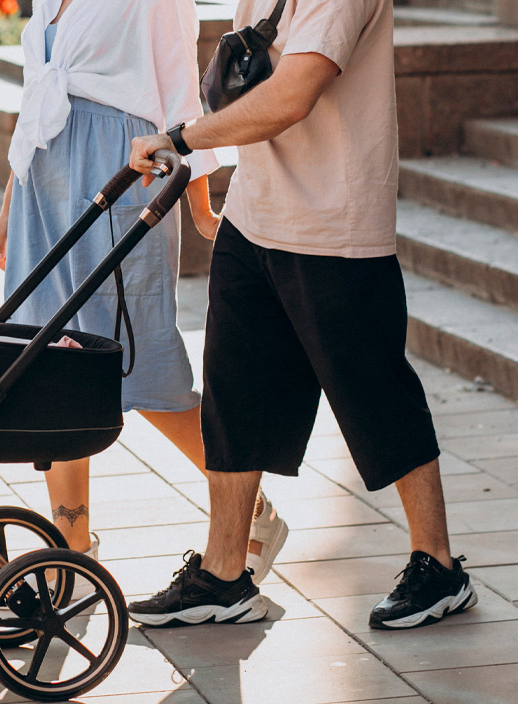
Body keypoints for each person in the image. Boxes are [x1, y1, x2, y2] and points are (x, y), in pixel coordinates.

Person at [125, 0, 476, 630]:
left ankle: (439, 567)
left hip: (333, 222)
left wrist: (181, 138)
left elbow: (293, 94)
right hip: (256, 214)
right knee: (233, 397)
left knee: (373, 393)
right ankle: (225, 574)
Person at [0, 0, 289, 579]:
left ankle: (250, 506)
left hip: (122, 170)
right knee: (49, 364)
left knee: (136, 360)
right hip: (42, 181)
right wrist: (9, 204)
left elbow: (178, 87)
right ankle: (69, 551)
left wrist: (197, 206)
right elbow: (37, 101)